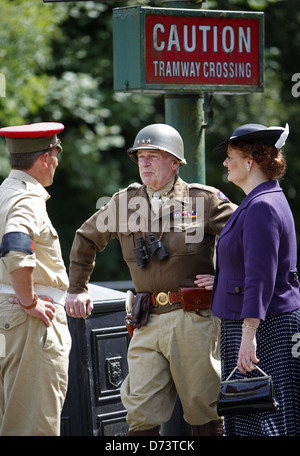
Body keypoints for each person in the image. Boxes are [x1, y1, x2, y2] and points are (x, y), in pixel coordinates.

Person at [66, 123, 237, 436]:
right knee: (140, 413)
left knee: (204, 412)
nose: (144, 163)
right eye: (140, 157)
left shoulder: (203, 200)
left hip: (194, 319)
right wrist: (76, 289)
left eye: (153, 156)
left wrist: (227, 279)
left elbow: (249, 236)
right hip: (145, 321)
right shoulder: (123, 203)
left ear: (174, 162)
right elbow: (85, 238)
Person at [210, 123, 300, 436]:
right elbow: (252, 266)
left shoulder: (261, 205)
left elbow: (261, 276)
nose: (225, 163)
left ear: (250, 161)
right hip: (263, 322)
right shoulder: (263, 199)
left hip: (261, 325)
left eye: (230, 156)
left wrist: (249, 333)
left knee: (260, 418)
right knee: (260, 414)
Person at [0, 122, 71, 436]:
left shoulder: (5, 192)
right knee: (33, 424)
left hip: (8, 315)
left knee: (10, 419)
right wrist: (29, 302)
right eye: (57, 153)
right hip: (30, 322)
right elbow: (16, 247)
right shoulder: (27, 200)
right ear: (46, 158)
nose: (57, 161)